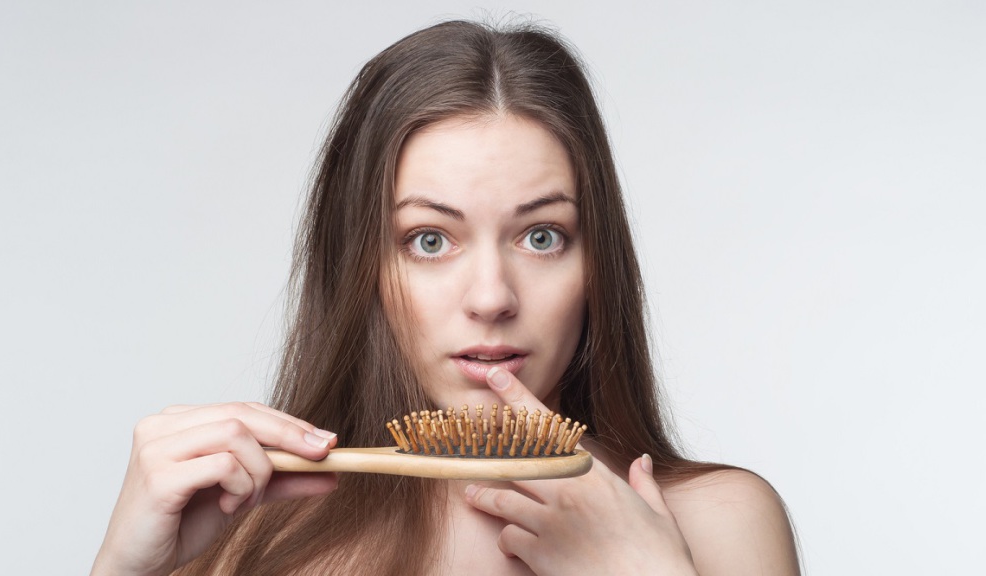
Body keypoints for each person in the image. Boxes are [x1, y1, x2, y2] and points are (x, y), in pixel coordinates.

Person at [92, 20, 800, 575]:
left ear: (598, 263)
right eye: (430, 240)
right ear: (361, 266)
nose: (491, 297)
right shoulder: (243, 539)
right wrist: (120, 570)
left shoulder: (718, 524)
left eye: (542, 237)